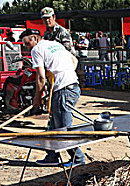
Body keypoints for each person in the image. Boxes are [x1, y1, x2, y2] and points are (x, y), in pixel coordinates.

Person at [20, 29, 85, 167]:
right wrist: (65, 75)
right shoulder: (55, 44)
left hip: (64, 90)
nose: (27, 47)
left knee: (63, 128)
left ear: (34, 38)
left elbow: (41, 77)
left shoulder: (36, 50)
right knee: (53, 125)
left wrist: (37, 98)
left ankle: (78, 159)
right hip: (72, 86)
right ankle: (52, 156)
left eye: (27, 43)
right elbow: (74, 60)